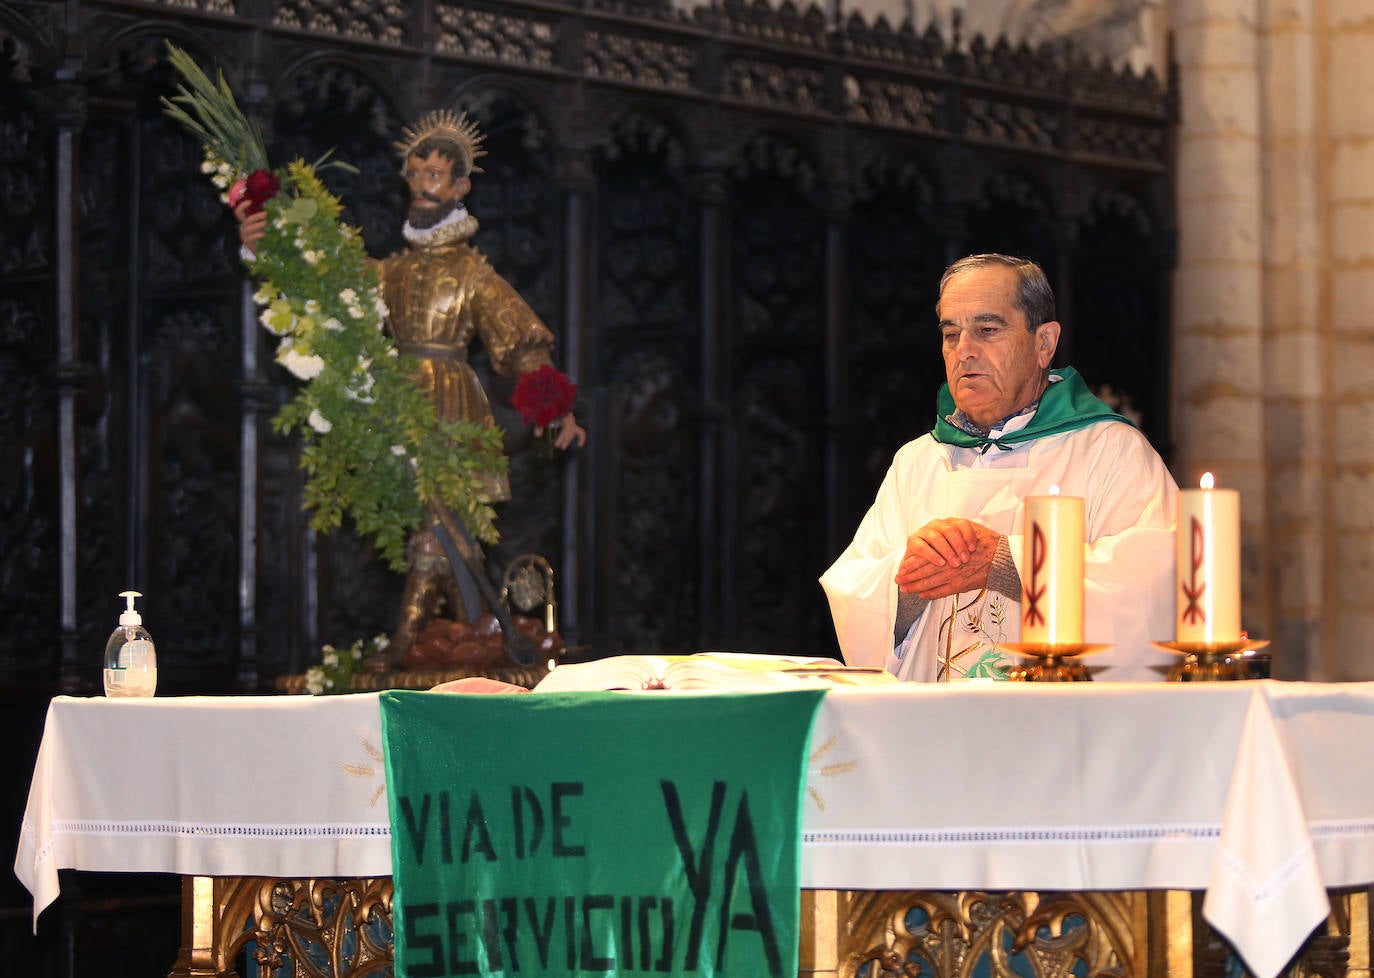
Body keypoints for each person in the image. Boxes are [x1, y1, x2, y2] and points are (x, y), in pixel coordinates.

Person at [239, 110, 585, 660]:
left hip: (453, 407)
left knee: (444, 523)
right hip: (396, 405)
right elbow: (325, 295)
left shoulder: (474, 274)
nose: (422, 185)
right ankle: (474, 632)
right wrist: (265, 248)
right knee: (439, 531)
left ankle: (410, 645)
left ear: (460, 187)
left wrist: (556, 410)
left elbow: (520, 342)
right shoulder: (388, 272)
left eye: (435, 176)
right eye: (415, 173)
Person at [820, 254, 1177, 682]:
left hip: (1057, 730)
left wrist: (1007, 562)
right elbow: (856, 594)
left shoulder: (1109, 451)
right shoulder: (919, 460)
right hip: (936, 730)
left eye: (987, 330)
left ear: (1044, 344)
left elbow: (1155, 593)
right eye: (951, 334)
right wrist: (909, 583)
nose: (964, 351)